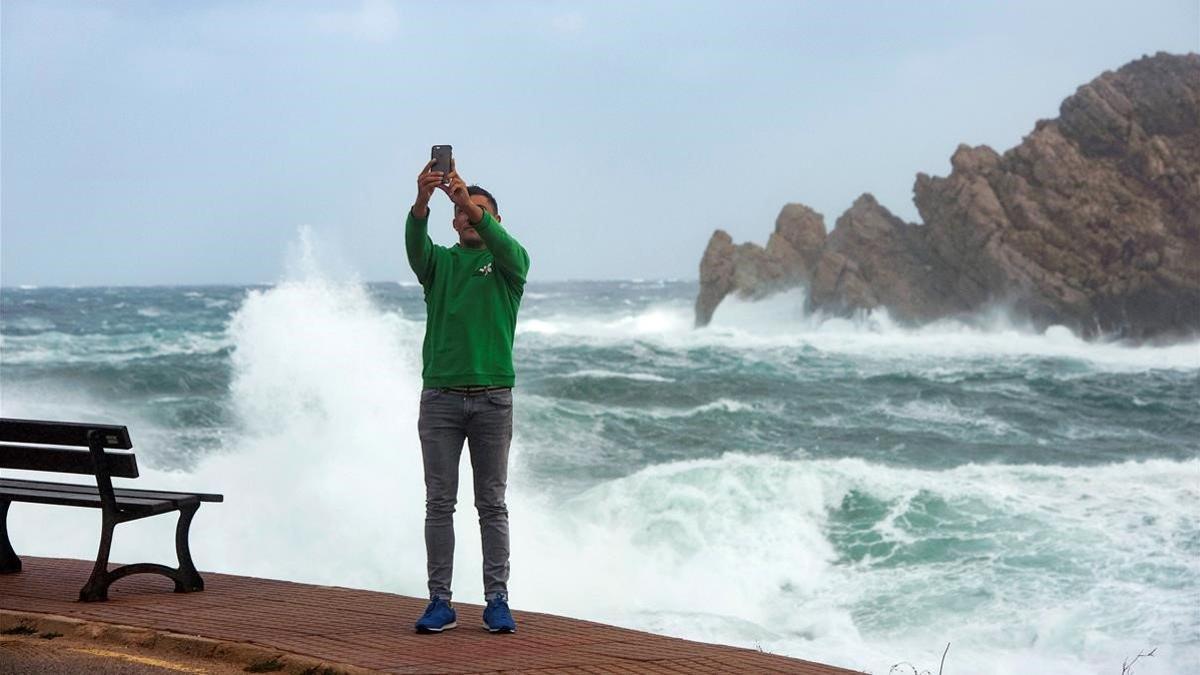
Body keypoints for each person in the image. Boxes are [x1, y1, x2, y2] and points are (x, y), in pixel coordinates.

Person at [405, 157, 529, 634]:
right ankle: (440, 600)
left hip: (494, 398)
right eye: (460, 209)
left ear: (494, 220)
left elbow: (511, 252)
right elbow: (416, 246)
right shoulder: (440, 263)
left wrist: (468, 204)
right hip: (440, 399)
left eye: (479, 210)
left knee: (491, 504)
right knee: (439, 503)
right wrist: (422, 200)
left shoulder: (507, 266)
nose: (467, 214)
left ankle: (496, 598)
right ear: (452, 219)